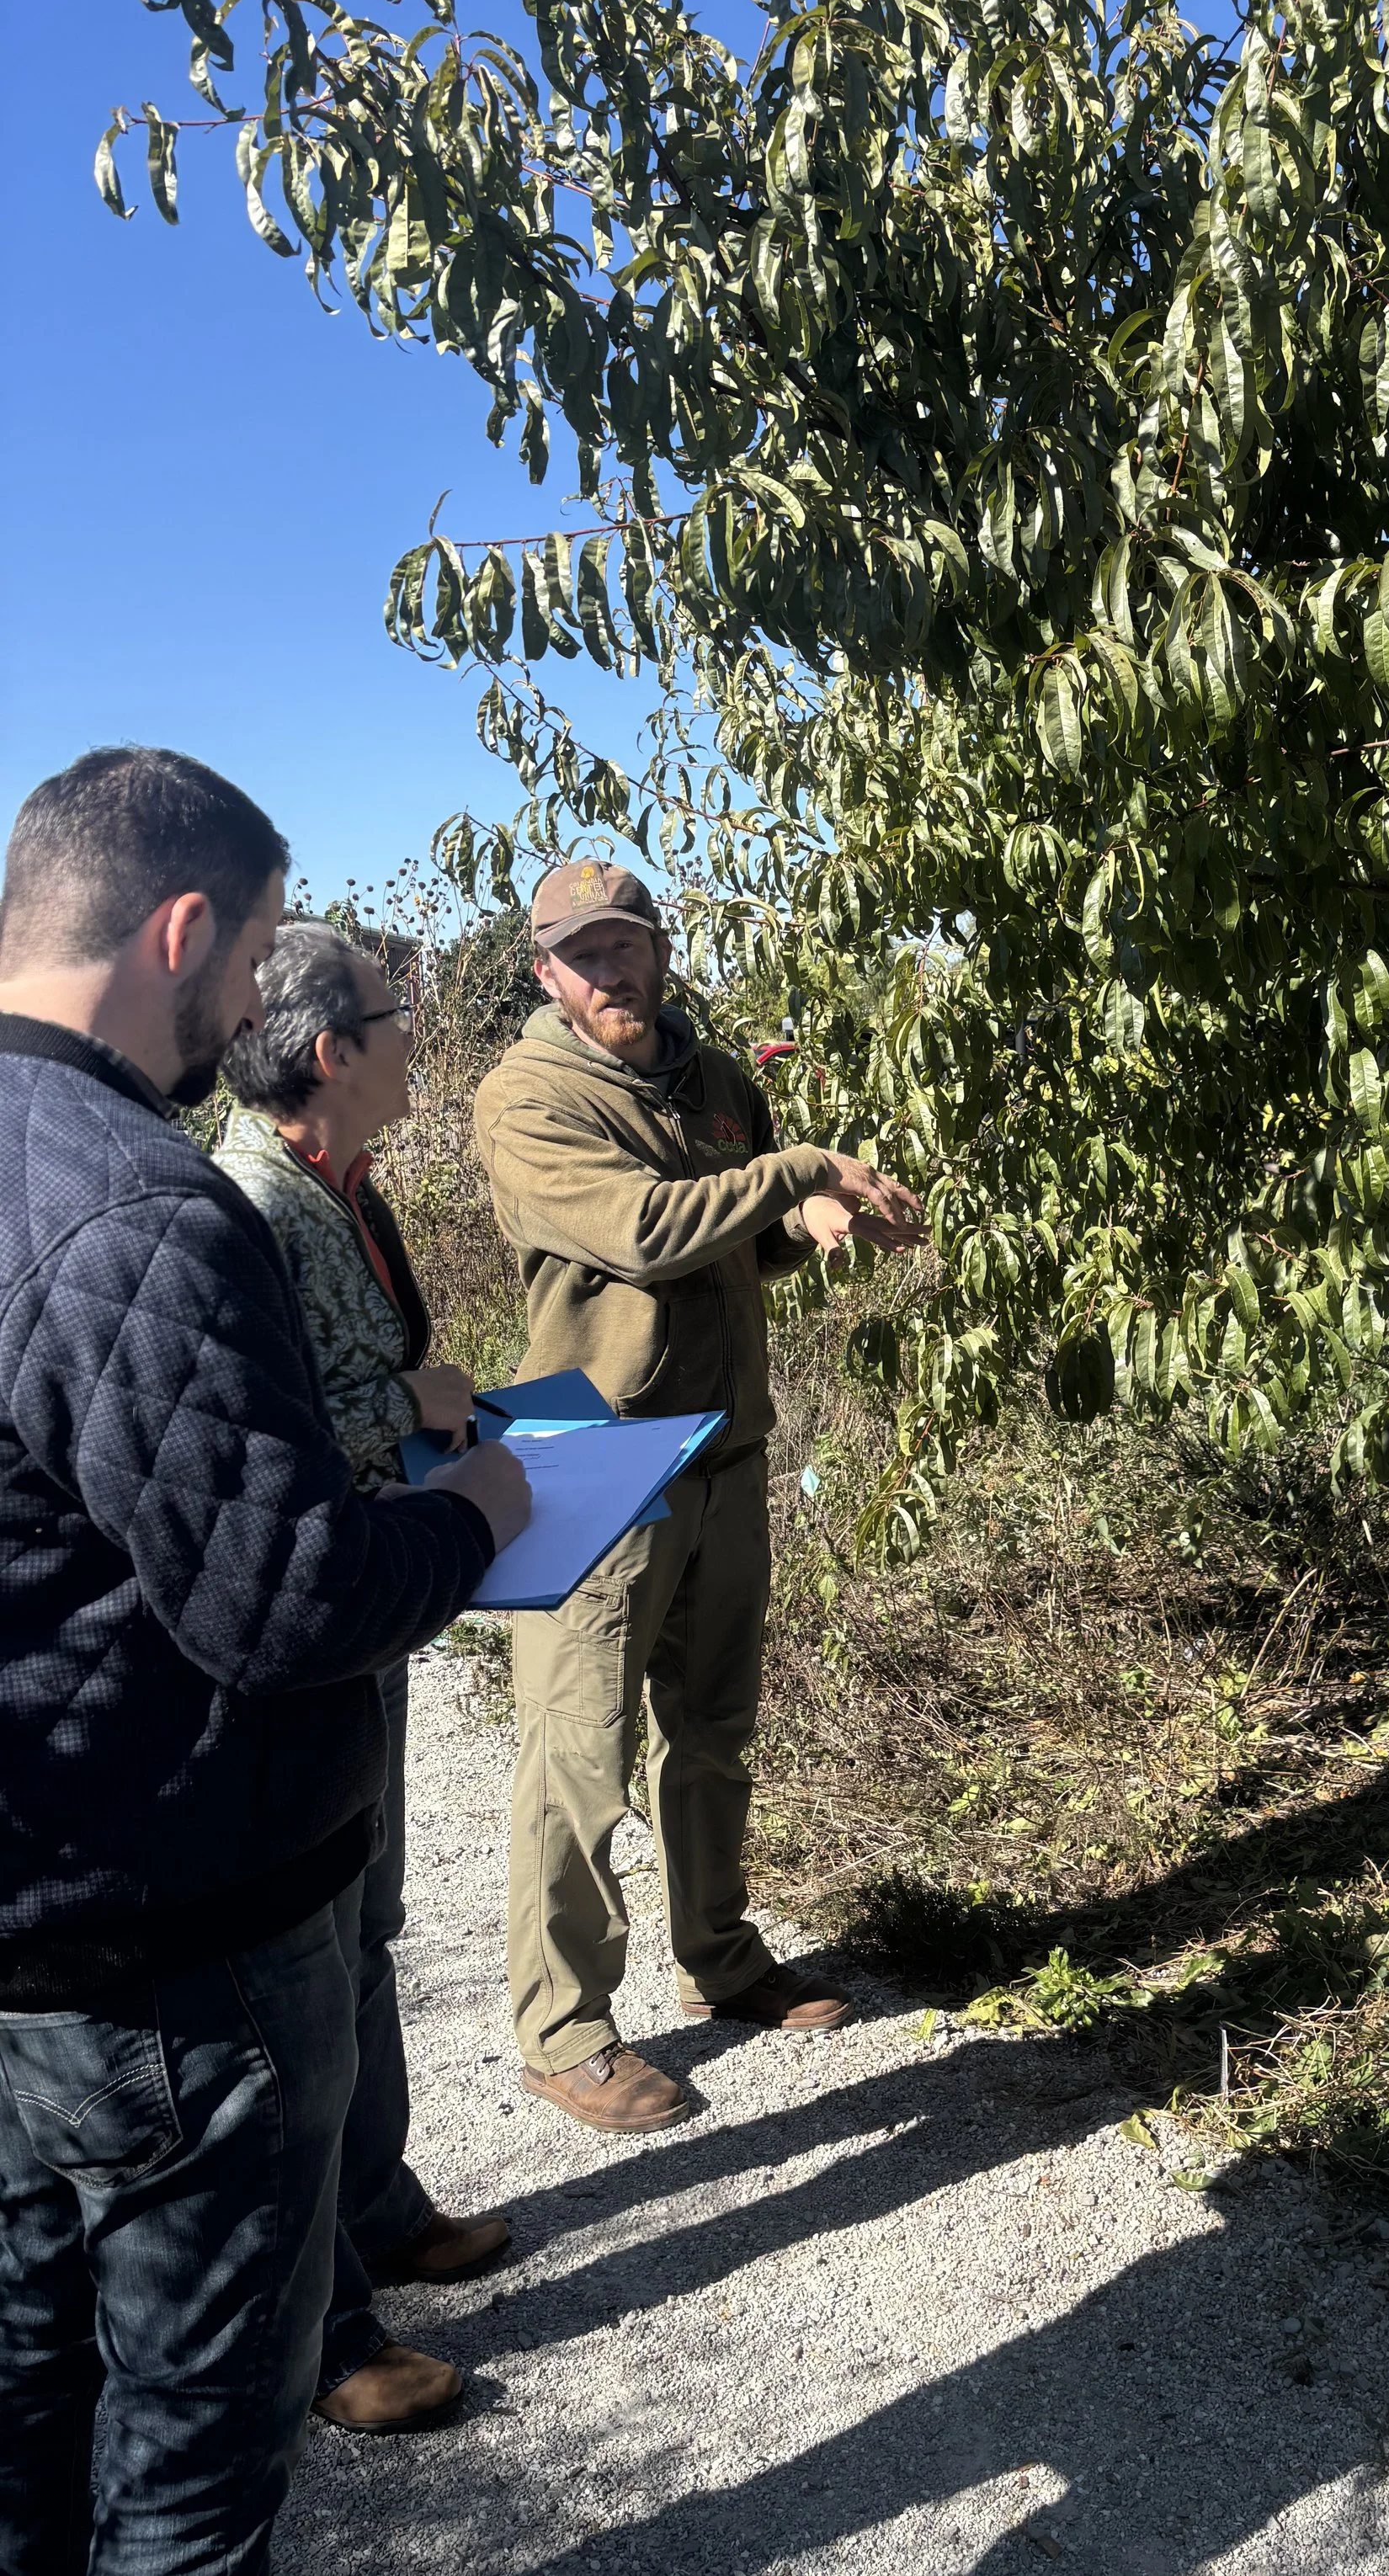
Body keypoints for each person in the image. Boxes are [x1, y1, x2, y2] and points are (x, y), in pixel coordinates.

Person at [0, 748, 530, 2572]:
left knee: (31, 2407)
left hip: (33, 1927)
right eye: (241, 978)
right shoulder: (142, 1203)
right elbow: (285, 1598)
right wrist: (478, 1511)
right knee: (192, 2467)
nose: (246, 1020)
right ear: (179, 926)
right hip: (177, 1945)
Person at [474, 860, 926, 2132]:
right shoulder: (525, 1097)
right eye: (585, 956)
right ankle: (563, 2030)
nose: (613, 974)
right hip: (584, 1450)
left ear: (660, 951)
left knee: (713, 1727)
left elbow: (738, 1237)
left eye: (629, 947)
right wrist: (796, 1169)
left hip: (723, 1445)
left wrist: (812, 1219)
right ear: (547, 974)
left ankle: (719, 1962)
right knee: (578, 1756)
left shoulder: (716, 1076)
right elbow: (638, 1231)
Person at [216, 922, 512, 2437]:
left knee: (373, 1930)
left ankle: (384, 2210)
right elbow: (270, 1440)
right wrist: (415, 1399)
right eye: (400, 1020)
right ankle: (330, 2332)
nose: (420, 1040)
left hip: (372, 1620)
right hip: (313, 1630)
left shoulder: (340, 1184)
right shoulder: (243, 1204)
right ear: (335, 1050)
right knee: (311, 1973)